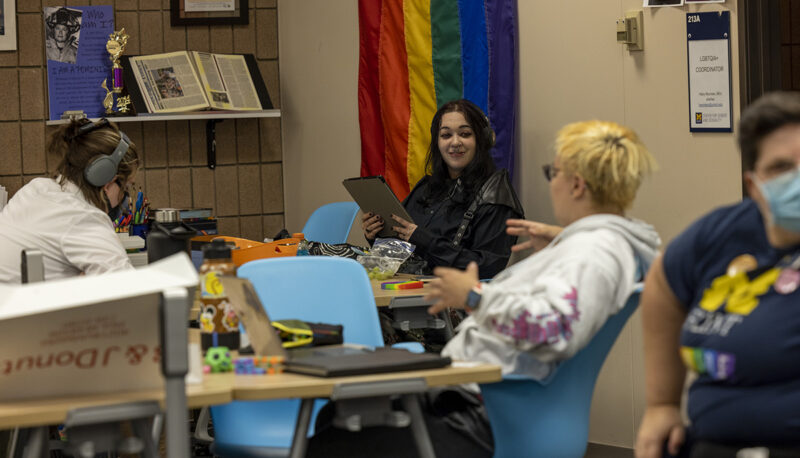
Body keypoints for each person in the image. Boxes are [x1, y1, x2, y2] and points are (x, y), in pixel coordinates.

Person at [427, 120, 660, 381]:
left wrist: (474, 297)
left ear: (577, 186)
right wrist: (566, 239)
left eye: (553, 172)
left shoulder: (593, 255)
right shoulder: (602, 244)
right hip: (474, 379)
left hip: (476, 395)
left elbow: (555, 332)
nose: (551, 183)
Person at [636, 92, 800, 458]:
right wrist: (661, 404)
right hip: (717, 443)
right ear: (755, 185)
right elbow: (662, 283)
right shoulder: (722, 233)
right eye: (781, 168)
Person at [361, 99, 524, 279]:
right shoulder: (426, 187)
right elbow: (401, 247)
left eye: (465, 134)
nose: (455, 142)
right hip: (404, 288)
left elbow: (487, 268)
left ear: (481, 140)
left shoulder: (496, 197)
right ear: (437, 142)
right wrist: (377, 235)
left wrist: (426, 241)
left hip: (451, 300)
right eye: (446, 135)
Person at [0, 118, 139, 283]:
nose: (125, 197)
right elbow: (128, 291)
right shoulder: (83, 217)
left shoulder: (35, 189)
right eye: (126, 186)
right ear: (107, 182)